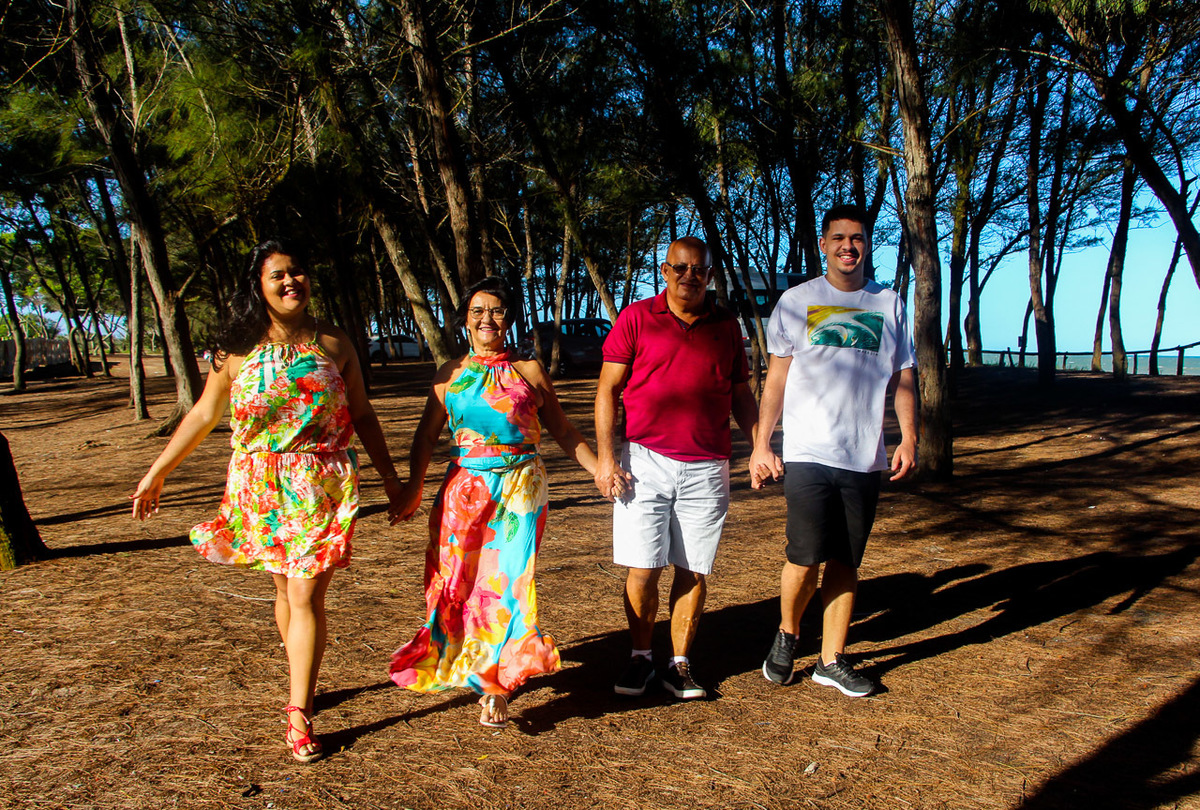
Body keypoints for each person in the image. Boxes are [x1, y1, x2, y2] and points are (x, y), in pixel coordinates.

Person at [131, 238, 403, 762]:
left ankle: (298, 712)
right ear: (258, 285)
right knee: (285, 593)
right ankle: (301, 672)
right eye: (277, 274)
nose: (290, 281)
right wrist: (157, 472)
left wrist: (391, 477)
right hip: (259, 486)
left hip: (321, 482)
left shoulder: (334, 344)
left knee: (303, 596)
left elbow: (363, 414)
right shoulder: (236, 350)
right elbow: (204, 416)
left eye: (297, 271)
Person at [389, 277, 614, 728]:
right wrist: (413, 488)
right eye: (477, 311)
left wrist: (600, 471)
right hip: (463, 491)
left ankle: (496, 684)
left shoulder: (528, 370)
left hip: (520, 489)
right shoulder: (448, 374)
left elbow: (563, 431)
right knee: (461, 583)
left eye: (496, 310)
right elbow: (425, 436)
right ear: (465, 320)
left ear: (509, 318)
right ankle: (470, 663)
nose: (486, 319)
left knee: (509, 582)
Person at [750, 204, 918, 697]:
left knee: (846, 560)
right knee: (804, 557)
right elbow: (776, 379)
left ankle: (831, 659)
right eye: (839, 237)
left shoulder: (889, 304)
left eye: (858, 238)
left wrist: (908, 436)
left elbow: (903, 374)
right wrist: (762, 443)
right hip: (807, 452)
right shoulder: (797, 301)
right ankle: (787, 633)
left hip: (863, 456)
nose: (849, 246)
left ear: (867, 246)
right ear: (823, 245)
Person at [594, 236, 759, 700]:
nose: (690, 276)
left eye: (699, 269)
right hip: (644, 462)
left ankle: (679, 664)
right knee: (643, 568)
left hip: (708, 467)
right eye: (680, 268)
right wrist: (607, 458)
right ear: (664, 272)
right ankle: (641, 658)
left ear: (709, 274)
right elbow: (607, 390)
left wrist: (761, 444)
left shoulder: (726, 326)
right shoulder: (636, 319)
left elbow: (741, 393)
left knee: (693, 569)